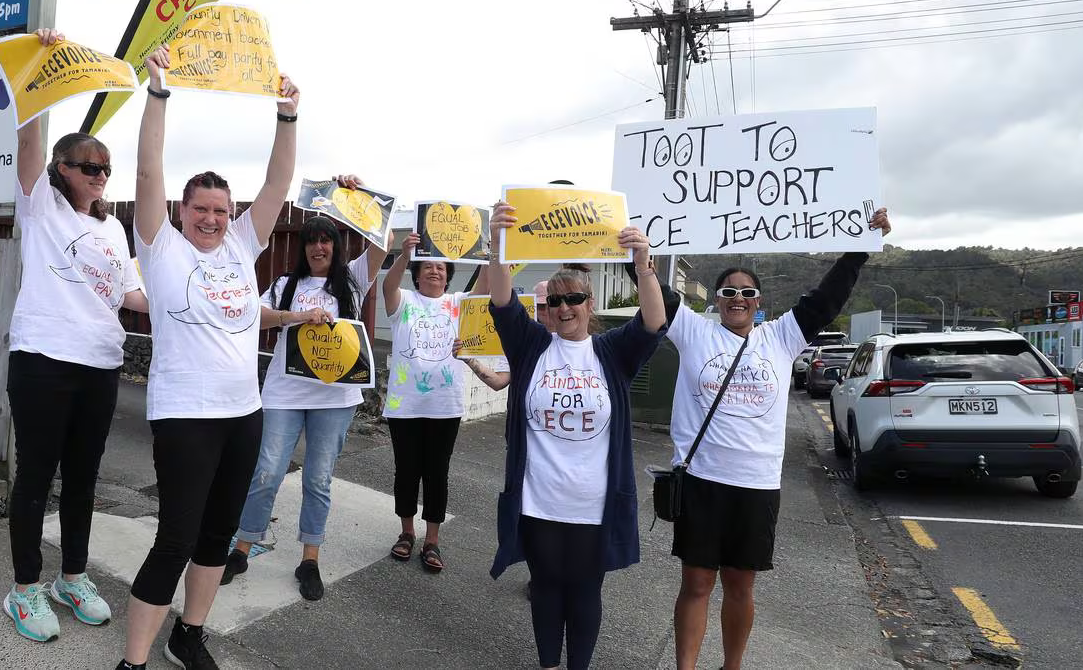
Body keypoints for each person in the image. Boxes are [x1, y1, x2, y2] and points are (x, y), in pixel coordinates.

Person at [117, 44, 300, 670]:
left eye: (221, 210)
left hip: (242, 412)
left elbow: (277, 184)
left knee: (218, 535)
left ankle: (188, 634)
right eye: (202, 209)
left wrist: (287, 118)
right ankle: (134, 660)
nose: (213, 219)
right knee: (175, 538)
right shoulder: (162, 246)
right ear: (181, 211)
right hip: (184, 414)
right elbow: (147, 171)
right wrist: (159, 91)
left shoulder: (242, 246)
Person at [663, 209, 892, 670]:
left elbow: (824, 301)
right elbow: (656, 293)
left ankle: (733, 666)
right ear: (718, 299)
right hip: (702, 479)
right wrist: (637, 255)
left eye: (747, 293)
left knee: (741, 585)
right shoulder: (693, 331)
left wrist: (860, 246)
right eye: (729, 292)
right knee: (697, 583)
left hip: (757, 483)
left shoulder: (780, 338)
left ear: (758, 301)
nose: (738, 299)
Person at [2, 28, 149, 642]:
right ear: (61, 170)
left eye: (105, 169)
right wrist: (40, 63)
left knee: (85, 475)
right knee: (36, 473)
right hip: (41, 357)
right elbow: (29, 134)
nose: (99, 176)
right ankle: (25, 588)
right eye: (88, 166)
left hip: (99, 362)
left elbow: (135, 298)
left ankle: (73, 576)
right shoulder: (39, 207)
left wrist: (199, 303)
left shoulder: (114, 231)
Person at [484, 201, 667, 670]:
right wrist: (498, 247)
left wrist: (644, 267)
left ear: (590, 305)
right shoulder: (532, 347)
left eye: (573, 299)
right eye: (554, 301)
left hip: (594, 502)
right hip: (539, 500)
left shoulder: (612, 352)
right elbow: (502, 303)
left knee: (586, 591)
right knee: (545, 588)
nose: (563, 308)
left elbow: (652, 322)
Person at [220, 208, 392, 601]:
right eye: (312, 240)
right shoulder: (285, 284)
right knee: (266, 471)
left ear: (336, 245)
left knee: (318, 478)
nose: (318, 246)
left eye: (326, 239)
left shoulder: (351, 280)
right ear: (304, 247)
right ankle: (242, 547)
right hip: (285, 393)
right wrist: (297, 316)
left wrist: (360, 198)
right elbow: (255, 316)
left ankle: (309, 559)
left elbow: (382, 244)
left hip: (336, 398)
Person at [380, 232, 480, 572]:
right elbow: (387, 287)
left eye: (441, 267)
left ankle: (432, 539)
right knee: (406, 471)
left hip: (445, 406)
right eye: (427, 267)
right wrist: (405, 254)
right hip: (405, 406)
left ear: (448, 275)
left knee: (437, 473)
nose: (435, 271)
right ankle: (406, 533)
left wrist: (497, 247)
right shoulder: (404, 300)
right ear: (417, 274)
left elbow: (491, 290)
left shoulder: (459, 303)